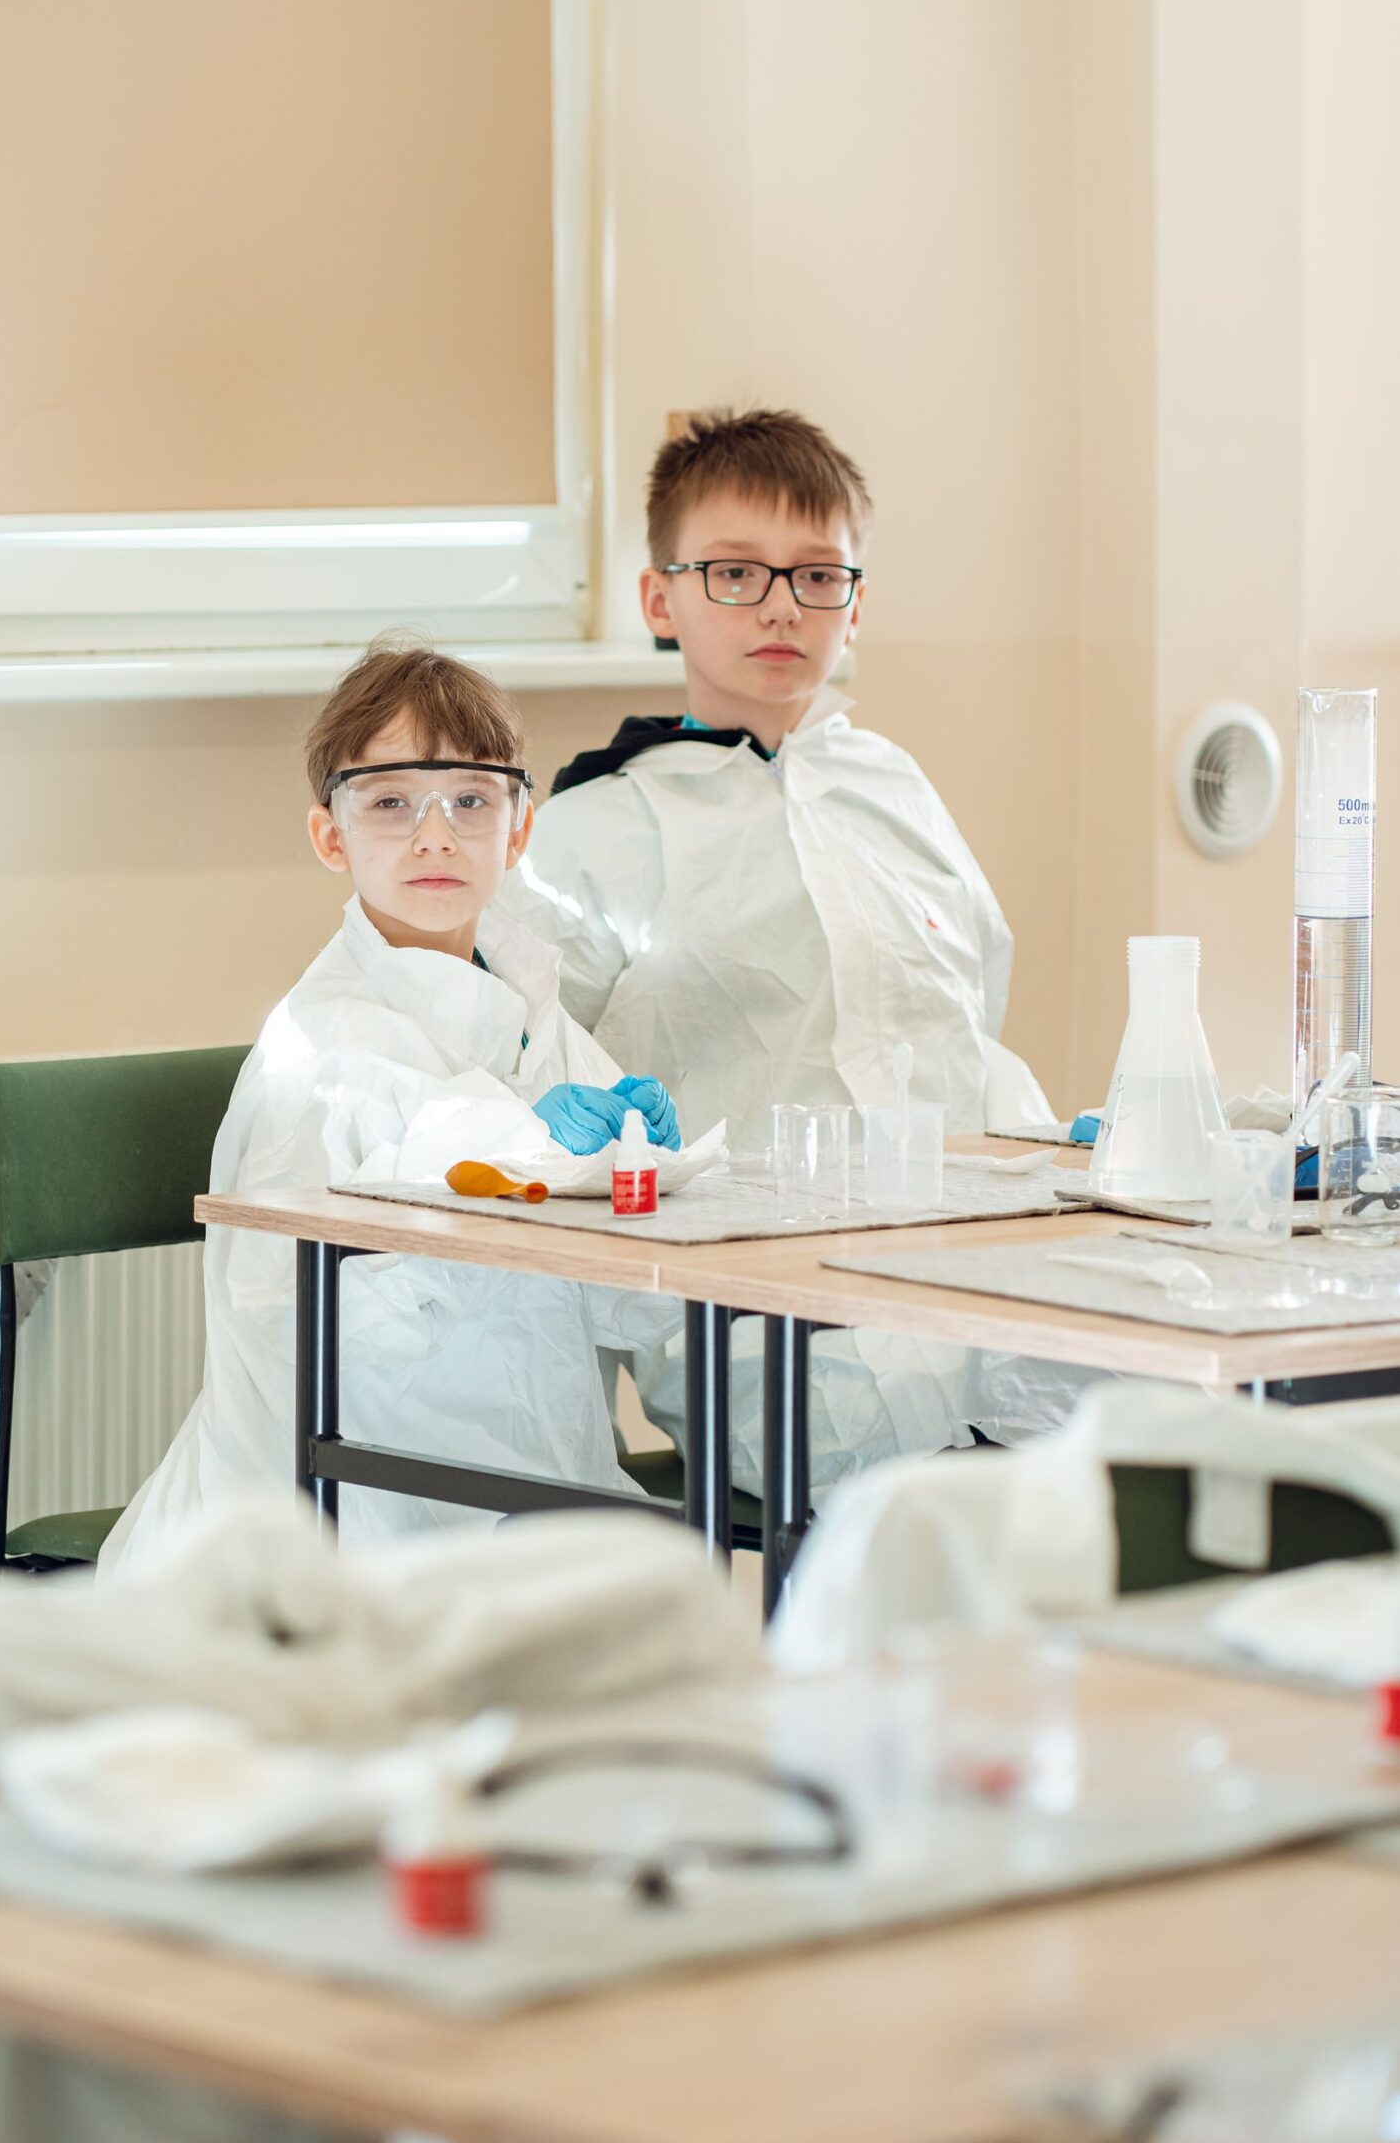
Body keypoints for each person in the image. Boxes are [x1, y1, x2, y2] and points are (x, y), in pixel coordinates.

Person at [497, 405, 1090, 1490]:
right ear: (659, 599)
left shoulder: (896, 796)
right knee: (924, 1487)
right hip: (758, 1327)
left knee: (1187, 1433)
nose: (781, 606)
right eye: (735, 572)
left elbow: (968, 1028)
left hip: (974, 1269)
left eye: (818, 575)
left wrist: (1058, 1152)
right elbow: (508, 1075)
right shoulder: (593, 832)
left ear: (856, 604)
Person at [101, 641, 682, 1570]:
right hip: (337, 1510)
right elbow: (317, 1326)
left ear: (519, 830)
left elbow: (632, 1312)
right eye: (389, 802)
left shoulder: (535, 1011)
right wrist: (522, 1169)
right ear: (330, 836)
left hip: (528, 1481)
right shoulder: (320, 1046)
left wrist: (649, 1180)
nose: (435, 835)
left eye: (471, 800)